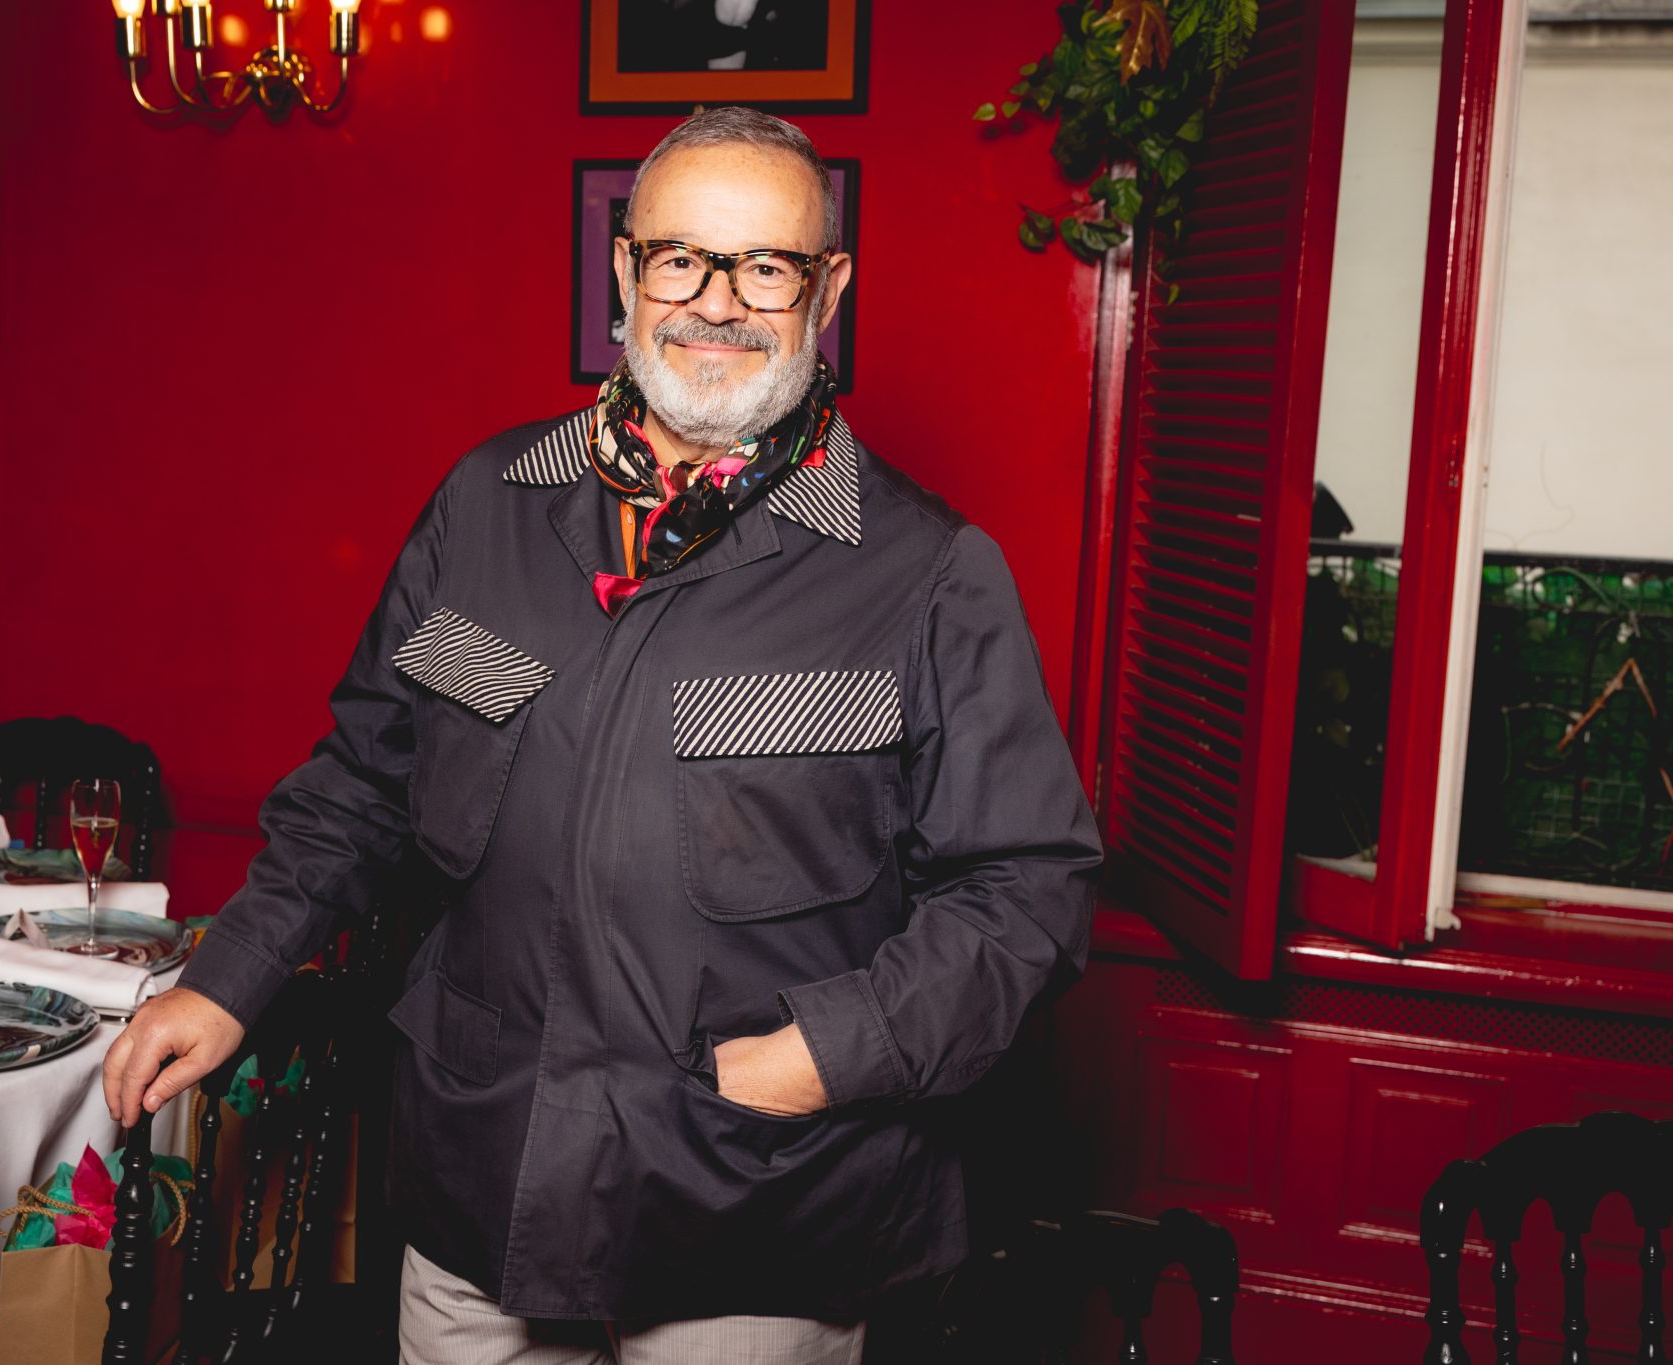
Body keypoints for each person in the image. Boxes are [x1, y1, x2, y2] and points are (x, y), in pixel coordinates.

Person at [104, 107, 1102, 1364]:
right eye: (680, 258)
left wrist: (814, 1061)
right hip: (482, 1173)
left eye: (765, 266)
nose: (715, 303)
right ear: (625, 271)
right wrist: (230, 976)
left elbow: (1026, 891)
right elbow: (362, 781)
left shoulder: (928, 571)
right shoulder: (482, 506)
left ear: (828, 288)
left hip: (753, 1203)